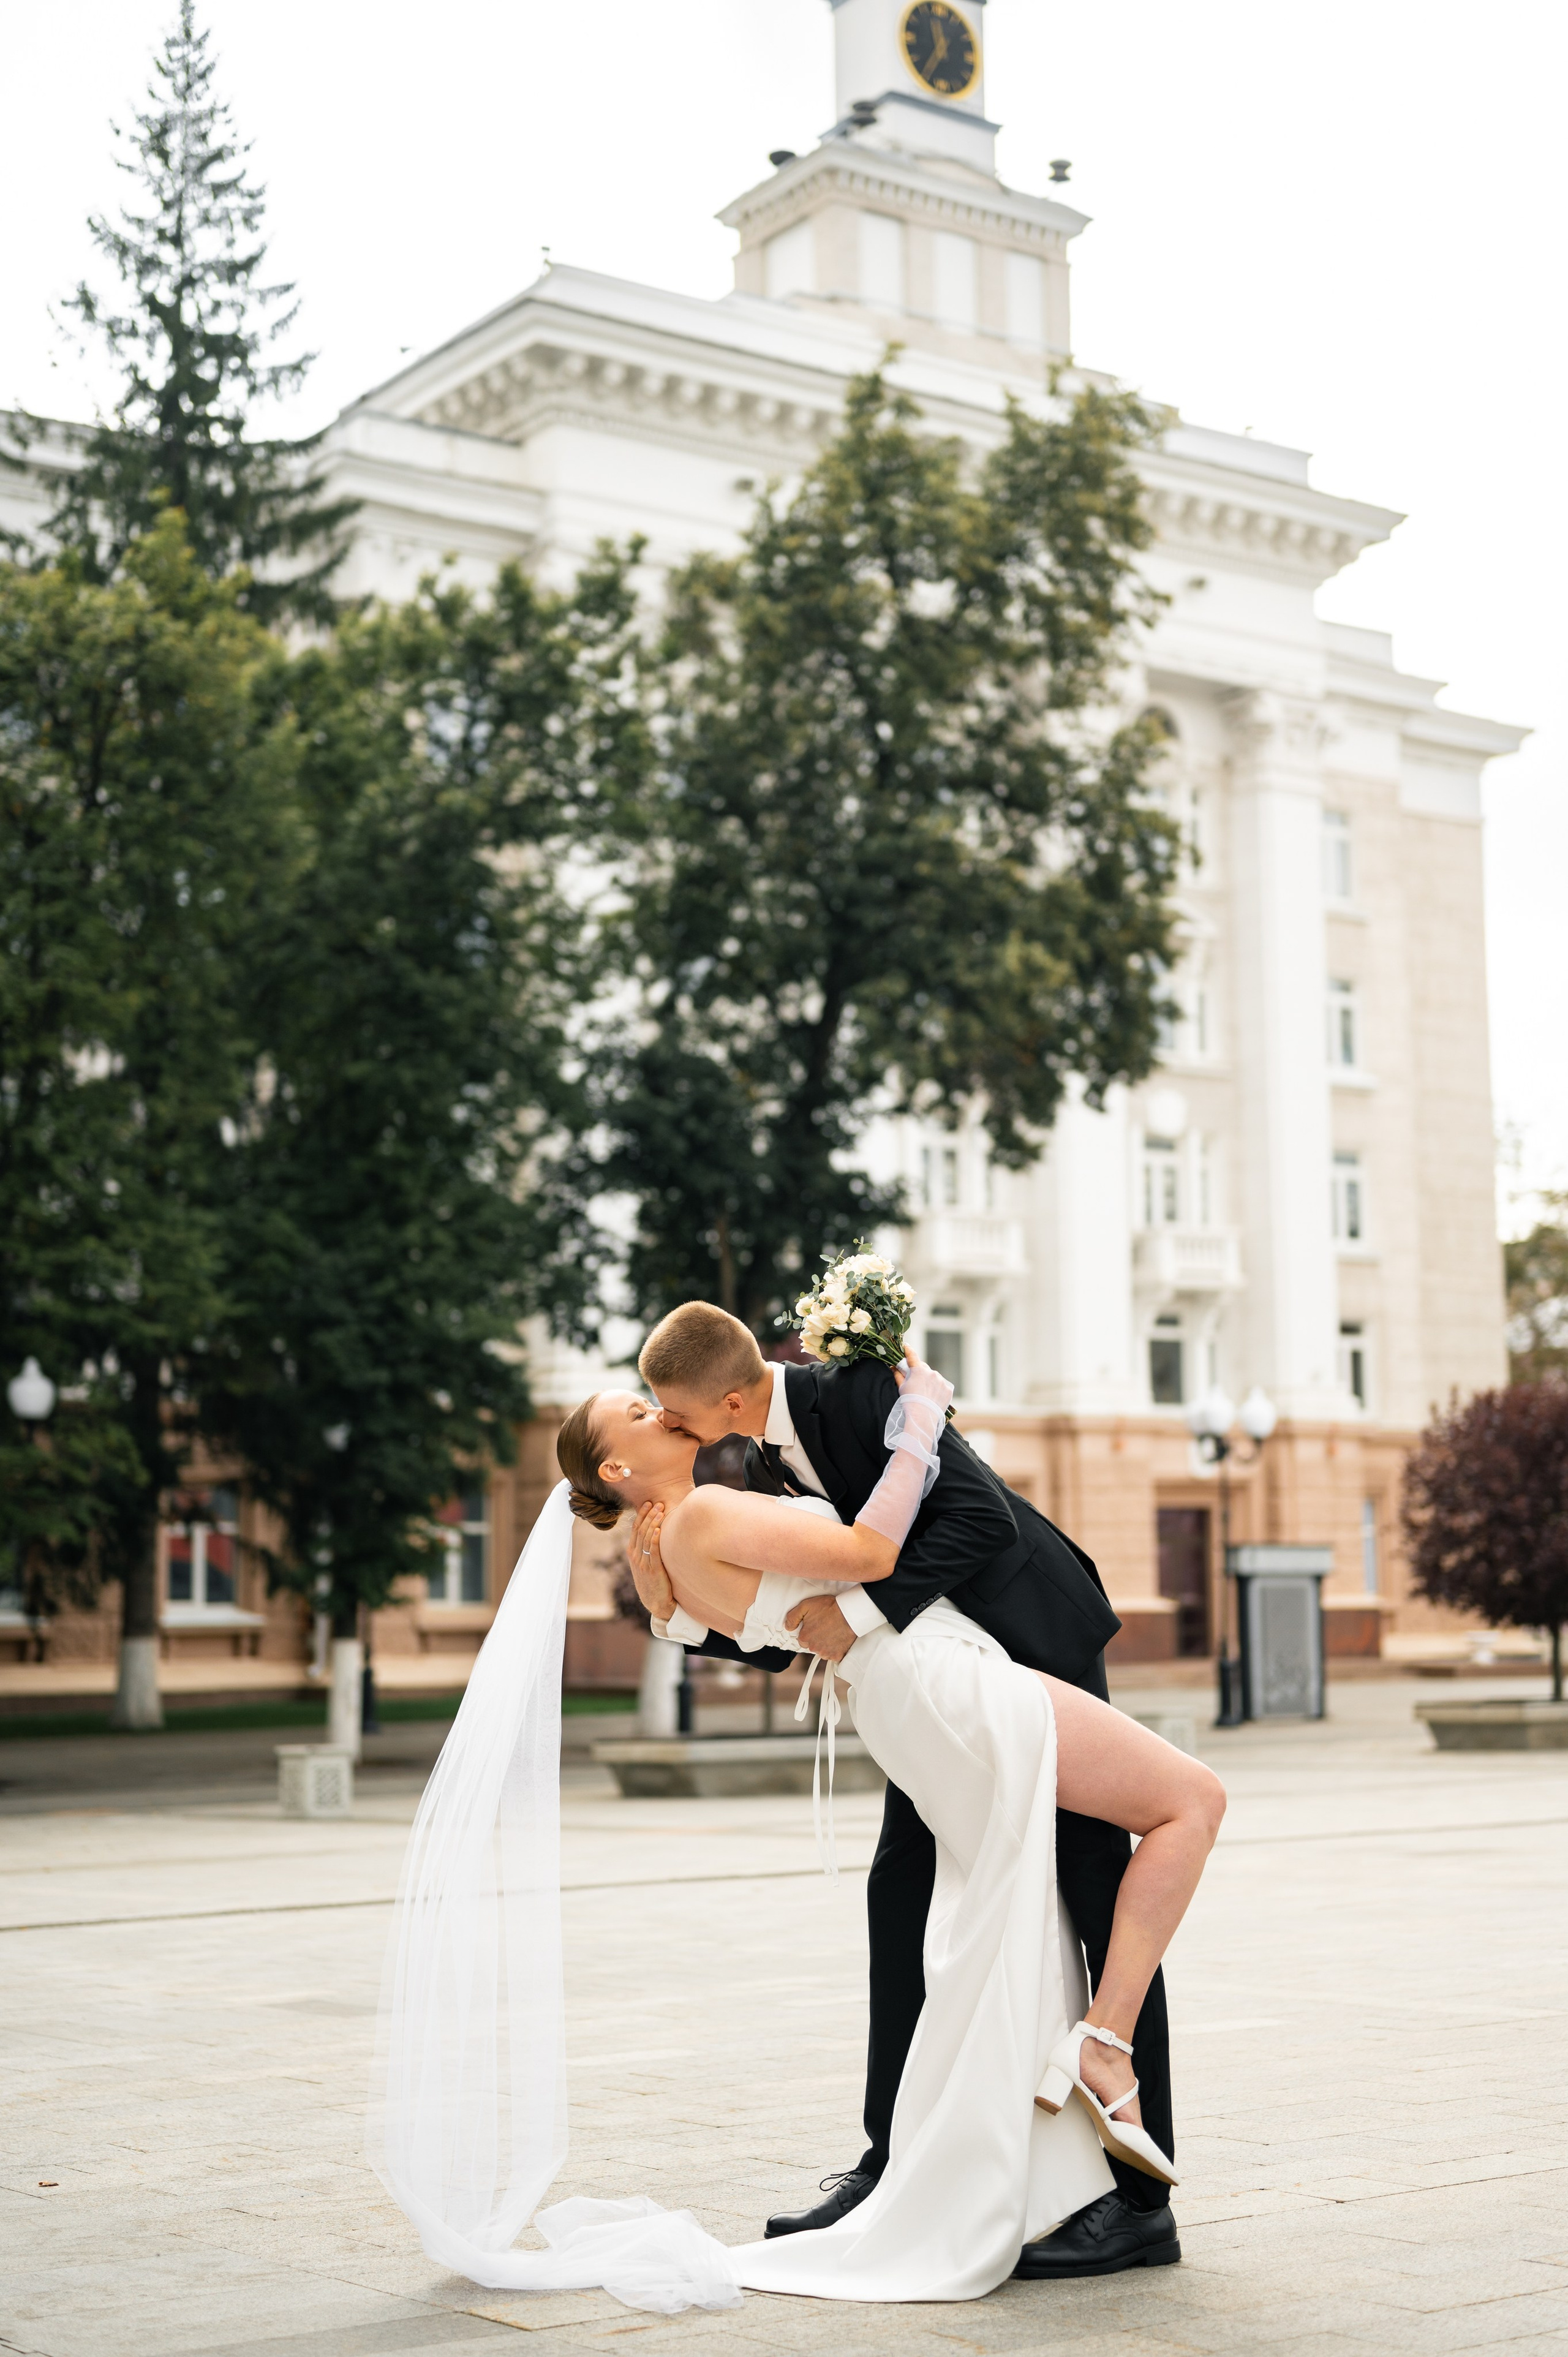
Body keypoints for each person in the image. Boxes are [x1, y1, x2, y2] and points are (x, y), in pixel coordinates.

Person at [560, 1345, 1225, 2301]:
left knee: (1042, 1902)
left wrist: (819, 1610)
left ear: (729, 1395)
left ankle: (1097, 2189)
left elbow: (966, 1524)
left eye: (657, 1397)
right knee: (990, 1894)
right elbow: (850, 1569)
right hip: (934, 1674)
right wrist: (922, 1421)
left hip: (988, 1646)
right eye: (638, 1409)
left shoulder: (798, 1432)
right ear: (617, 1470)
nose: (660, 1413)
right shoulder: (722, 1488)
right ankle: (974, 2125)